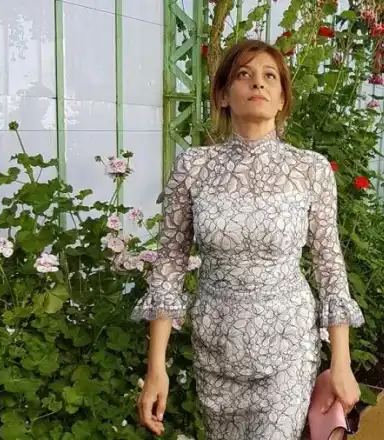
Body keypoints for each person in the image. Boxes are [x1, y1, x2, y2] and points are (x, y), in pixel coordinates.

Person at [131, 39, 365, 440]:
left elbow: (329, 266)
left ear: (282, 99)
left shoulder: (310, 170)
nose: (258, 83)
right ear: (223, 95)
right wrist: (157, 368)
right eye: (244, 74)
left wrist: (340, 361)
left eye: (270, 76)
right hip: (216, 347)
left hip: (288, 346)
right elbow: (169, 265)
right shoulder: (193, 167)